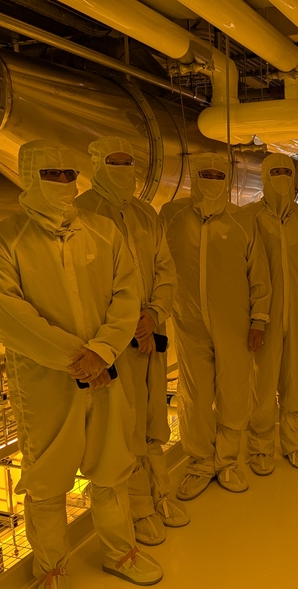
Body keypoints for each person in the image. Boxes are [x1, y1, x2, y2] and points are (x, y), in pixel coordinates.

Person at [0, 140, 163, 589]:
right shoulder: (4, 239)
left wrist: (101, 351)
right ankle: (51, 570)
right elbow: (12, 314)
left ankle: (120, 552)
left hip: (105, 370)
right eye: (52, 175)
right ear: (28, 177)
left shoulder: (103, 231)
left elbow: (127, 293)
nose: (63, 183)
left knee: (111, 468)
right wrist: (76, 358)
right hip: (46, 382)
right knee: (47, 480)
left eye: (68, 175)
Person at [76, 136, 189, 549]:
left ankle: (162, 494)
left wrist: (153, 315)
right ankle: (138, 509)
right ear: (96, 163)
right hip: (110, 343)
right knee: (122, 429)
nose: (123, 169)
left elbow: (165, 268)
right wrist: (127, 324)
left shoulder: (146, 213)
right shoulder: (82, 213)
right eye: (114, 161)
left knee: (154, 419)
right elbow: (85, 288)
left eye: (129, 162)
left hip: (148, 337)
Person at [161, 153, 271, 500]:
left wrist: (259, 320)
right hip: (189, 323)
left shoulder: (241, 221)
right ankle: (199, 463)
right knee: (194, 397)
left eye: (217, 174)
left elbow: (259, 274)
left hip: (235, 326)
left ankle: (227, 462)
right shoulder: (173, 216)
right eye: (204, 174)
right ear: (196, 177)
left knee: (235, 394)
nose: (211, 179)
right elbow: (158, 264)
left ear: (227, 179)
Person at [244, 153, 298, 475]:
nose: (281, 177)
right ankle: (260, 447)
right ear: (263, 175)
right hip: (264, 316)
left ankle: (295, 444)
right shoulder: (249, 217)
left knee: (295, 379)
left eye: (286, 172)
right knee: (262, 382)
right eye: (274, 171)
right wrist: (254, 317)